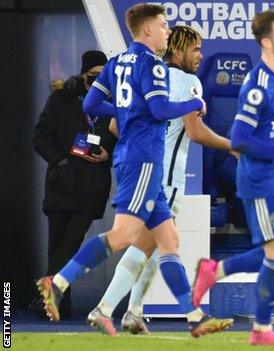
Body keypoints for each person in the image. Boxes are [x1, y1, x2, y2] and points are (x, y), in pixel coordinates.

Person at [36, 4, 225, 338]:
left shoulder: (117, 62)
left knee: (169, 241)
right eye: (164, 26)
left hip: (134, 156)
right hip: (144, 159)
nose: (168, 31)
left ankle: (195, 317)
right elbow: (160, 108)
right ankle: (57, 282)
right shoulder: (150, 64)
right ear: (148, 30)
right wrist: (194, 104)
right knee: (123, 235)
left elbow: (90, 106)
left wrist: (125, 110)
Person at [86, 25, 236, 336]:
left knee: (154, 246)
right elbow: (195, 132)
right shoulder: (189, 82)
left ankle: (133, 311)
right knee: (149, 244)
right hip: (166, 176)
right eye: (195, 49)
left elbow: (115, 125)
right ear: (179, 51)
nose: (200, 55)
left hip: (140, 167)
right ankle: (105, 308)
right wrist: (230, 145)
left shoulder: (147, 75)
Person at [192, 9, 274, 347]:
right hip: (261, 179)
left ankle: (214, 270)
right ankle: (261, 329)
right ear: (267, 42)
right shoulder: (258, 83)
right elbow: (238, 139)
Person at [32, 50, 116, 319]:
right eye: (94, 77)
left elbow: (124, 138)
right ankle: (55, 307)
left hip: (91, 188)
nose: (99, 82)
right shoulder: (60, 100)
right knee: (57, 247)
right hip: (62, 184)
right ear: (83, 75)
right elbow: (40, 137)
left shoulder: (115, 103)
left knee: (70, 243)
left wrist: (109, 154)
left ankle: (46, 294)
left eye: (104, 77)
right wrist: (60, 161)